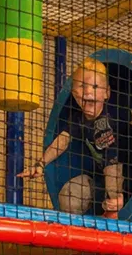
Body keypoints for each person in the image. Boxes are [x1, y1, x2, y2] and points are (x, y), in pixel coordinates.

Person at [29, 59, 127, 218]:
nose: (88, 92)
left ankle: (114, 206)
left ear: (107, 93)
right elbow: (62, 141)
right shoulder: (78, 121)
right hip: (99, 182)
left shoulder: (115, 114)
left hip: (127, 178)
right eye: (82, 86)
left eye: (95, 87)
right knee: (69, 196)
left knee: (112, 169)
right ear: (74, 93)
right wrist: (41, 164)